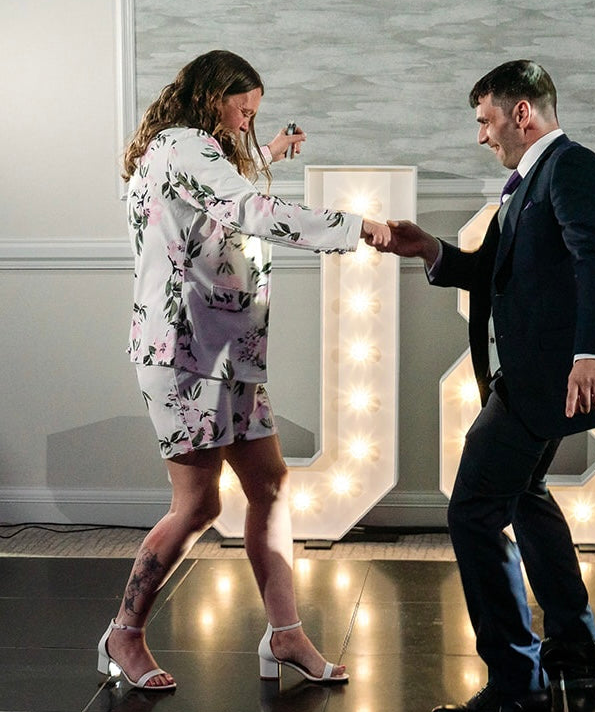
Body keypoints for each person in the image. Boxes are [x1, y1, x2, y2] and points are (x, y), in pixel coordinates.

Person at [97, 49, 389, 691]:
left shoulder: (186, 150)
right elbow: (247, 210)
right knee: (198, 505)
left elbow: (219, 199)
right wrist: (354, 227)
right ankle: (123, 634)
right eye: (243, 110)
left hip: (226, 352)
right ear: (213, 96)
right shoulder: (184, 147)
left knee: (271, 485)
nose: (246, 122)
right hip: (186, 354)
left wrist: (268, 154)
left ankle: (285, 634)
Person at [377, 59, 595, 712]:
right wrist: (429, 249)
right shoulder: (526, 184)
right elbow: (489, 271)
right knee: (524, 497)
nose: (480, 136)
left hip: (546, 379)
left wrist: (591, 352)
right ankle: (576, 650)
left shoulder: (572, 166)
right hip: (529, 379)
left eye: (485, 120)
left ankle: (517, 685)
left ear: (520, 114)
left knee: (472, 512)